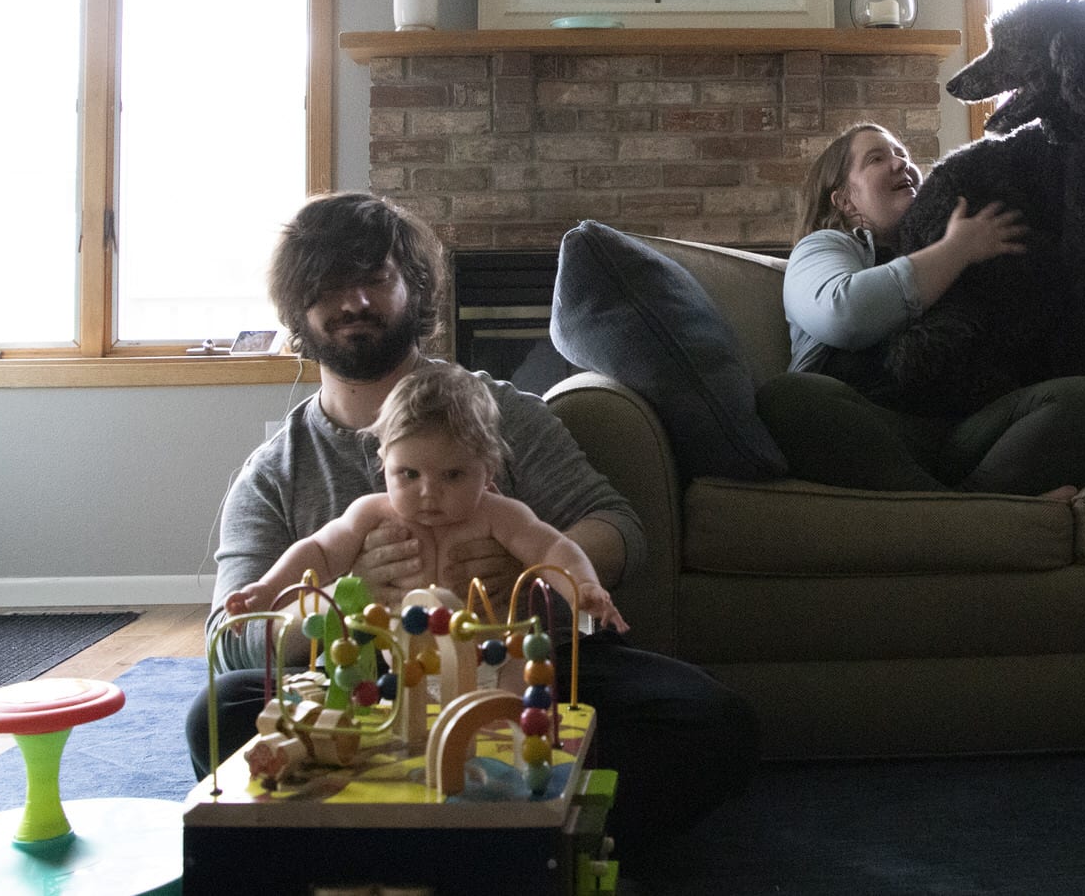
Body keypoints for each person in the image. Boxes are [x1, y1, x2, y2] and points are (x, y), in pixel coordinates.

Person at [188, 191, 756, 852]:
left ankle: (481, 840)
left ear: (414, 290)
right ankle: (472, 845)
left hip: (517, 669)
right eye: (329, 285)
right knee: (218, 715)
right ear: (298, 309)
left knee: (712, 723)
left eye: (375, 278)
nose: (355, 302)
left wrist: (531, 569)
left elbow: (621, 528)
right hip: (360, 691)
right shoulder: (274, 470)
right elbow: (229, 640)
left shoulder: (499, 411)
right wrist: (337, 605)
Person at [757, 122, 1085, 497]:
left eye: (902, 155)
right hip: (874, 427)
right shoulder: (825, 247)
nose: (900, 164)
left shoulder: (966, 246)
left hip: (970, 433)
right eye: (876, 158)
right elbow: (841, 313)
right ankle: (978, 510)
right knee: (788, 399)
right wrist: (958, 249)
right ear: (843, 200)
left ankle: (958, 508)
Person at [225, 362, 627, 632]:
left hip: (487, 650)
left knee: (518, 675)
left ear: (488, 469)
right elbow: (317, 553)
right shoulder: (370, 513)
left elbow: (553, 548)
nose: (428, 492)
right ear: (383, 463)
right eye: (409, 474)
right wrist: (268, 589)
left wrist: (583, 587)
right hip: (395, 655)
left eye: (453, 475)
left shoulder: (498, 515)